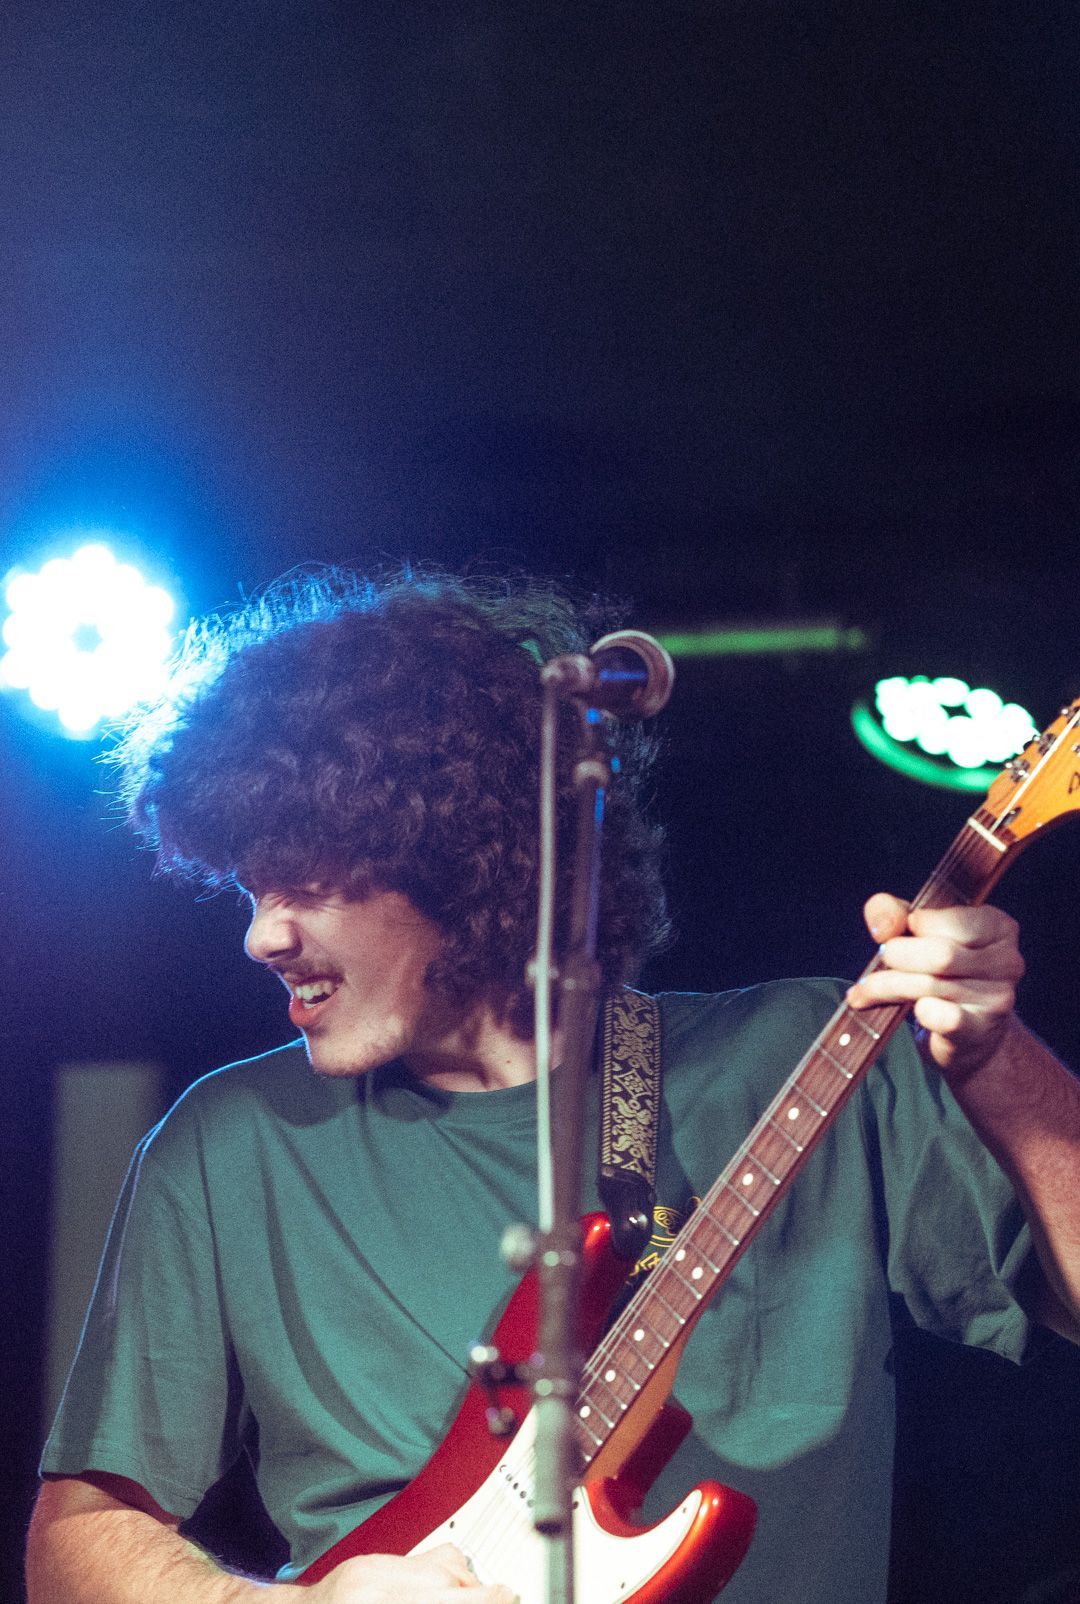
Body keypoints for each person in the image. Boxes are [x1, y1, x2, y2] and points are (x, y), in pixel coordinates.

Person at [26, 569, 1080, 1604]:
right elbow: (75, 1542)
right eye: (251, 888)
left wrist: (1001, 1069)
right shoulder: (227, 1145)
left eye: (303, 883)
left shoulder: (808, 1054)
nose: (261, 936)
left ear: (456, 857)